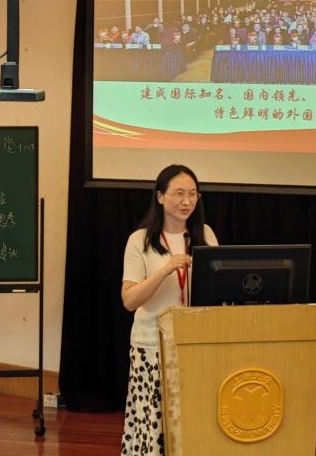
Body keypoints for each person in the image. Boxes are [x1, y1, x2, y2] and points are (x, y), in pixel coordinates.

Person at [120, 164, 218, 455]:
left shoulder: (205, 235)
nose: (187, 201)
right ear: (160, 196)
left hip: (196, 345)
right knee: (153, 427)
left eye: (193, 194)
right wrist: (164, 270)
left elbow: (218, 288)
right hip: (153, 348)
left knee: (193, 424)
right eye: (179, 193)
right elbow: (129, 300)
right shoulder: (140, 240)